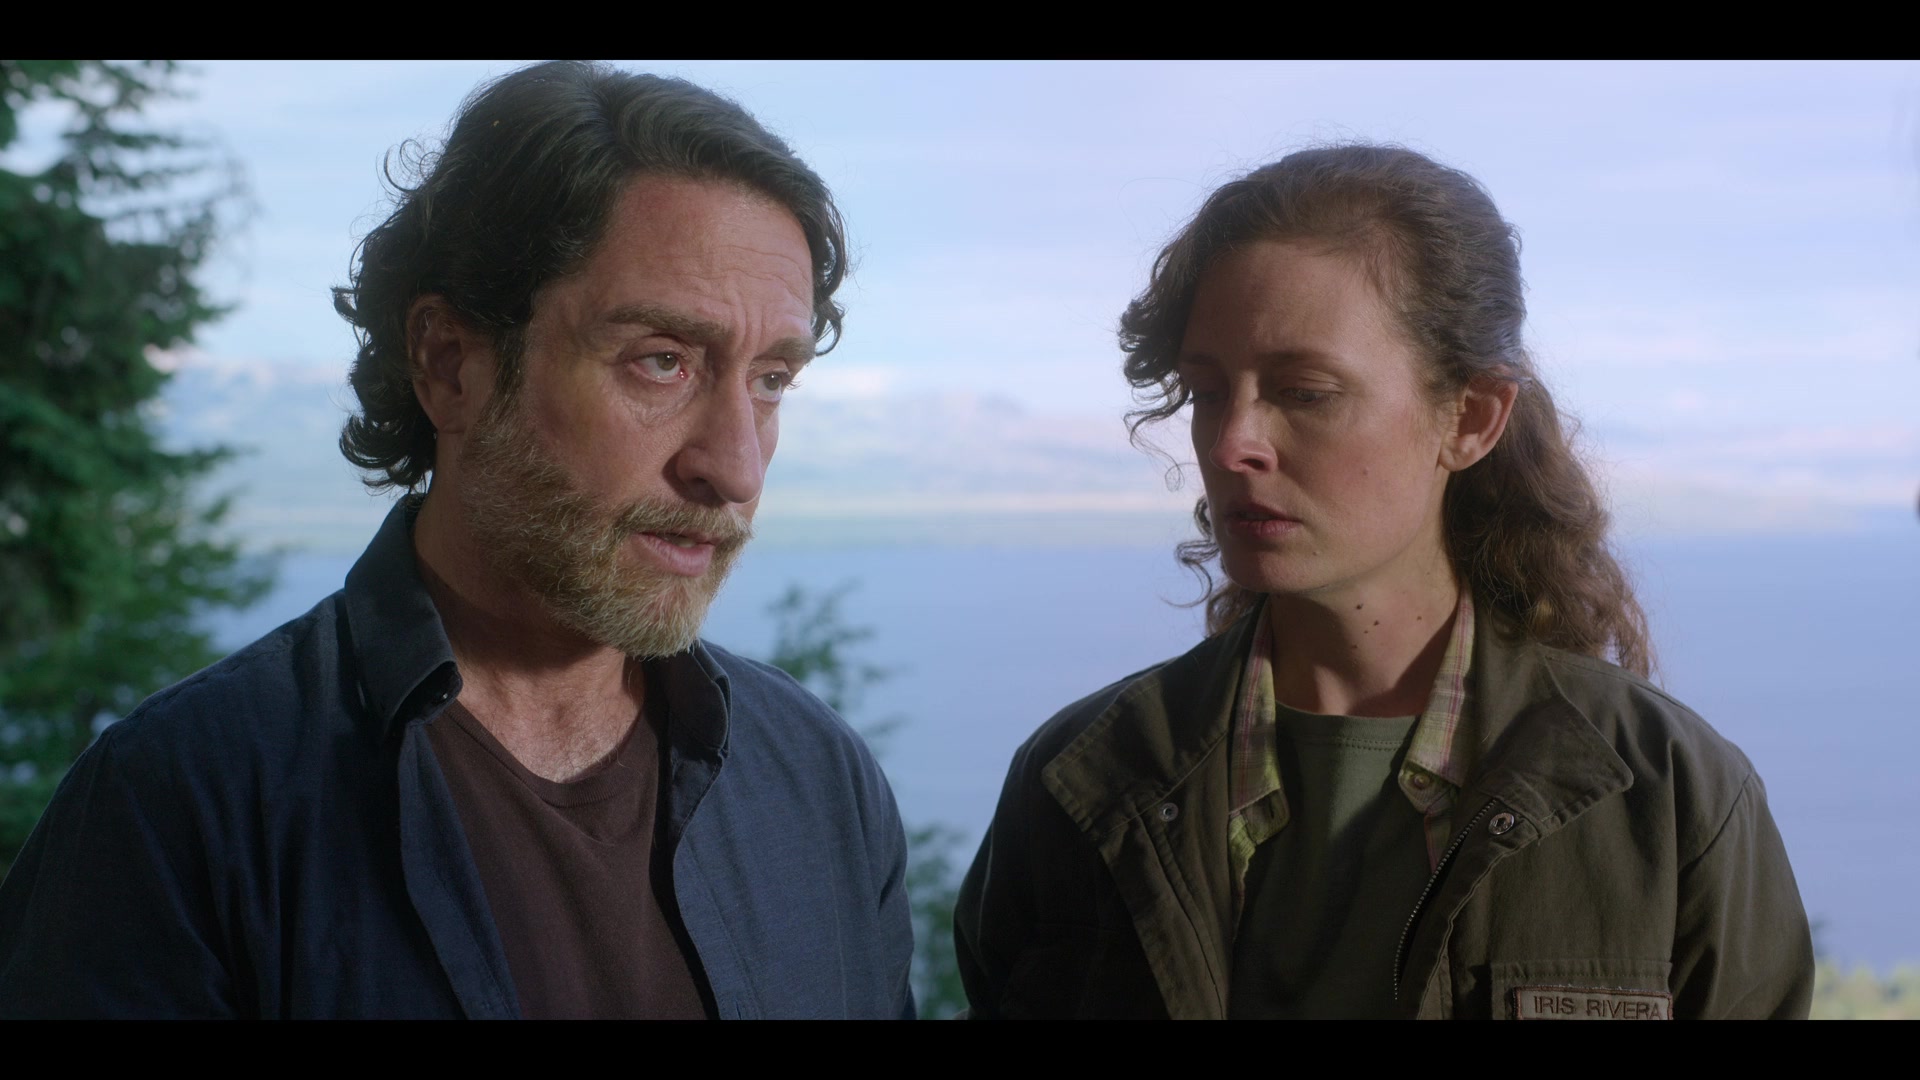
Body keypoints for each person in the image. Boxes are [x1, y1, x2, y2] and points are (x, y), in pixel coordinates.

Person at [0, 61, 914, 1019]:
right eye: (662, 361)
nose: (735, 468)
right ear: (450, 364)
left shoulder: (822, 784)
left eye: (770, 381)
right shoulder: (183, 806)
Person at [954, 144, 1813, 1020]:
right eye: (1208, 392)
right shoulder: (1079, 782)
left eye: (1305, 392)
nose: (1232, 443)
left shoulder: (1668, 796)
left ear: (1471, 418)